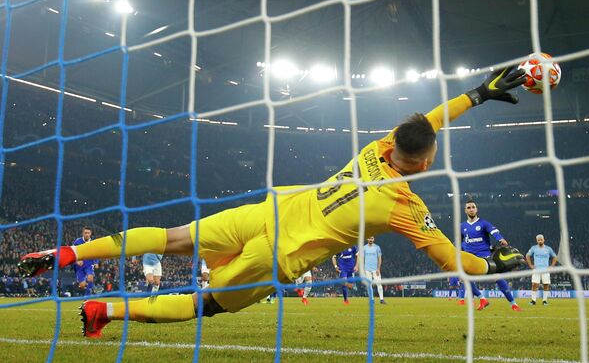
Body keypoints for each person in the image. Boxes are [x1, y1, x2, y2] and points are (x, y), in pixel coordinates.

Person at [17, 67, 526, 338]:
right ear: (420, 164)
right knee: (203, 306)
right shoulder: (403, 207)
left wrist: (477, 94)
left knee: (175, 239)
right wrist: (495, 266)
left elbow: (426, 122)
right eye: (428, 159)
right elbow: (448, 259)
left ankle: (67, 254)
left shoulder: (378, 147)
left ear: (394, 145)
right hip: (276, 256)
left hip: (268, 211)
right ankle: (105, 309)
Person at [459, 200, 522, 312]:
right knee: (465, 278)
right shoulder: (462, 226)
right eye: (468, 207)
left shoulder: (484, 223)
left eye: (473, 207)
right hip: (470, 258)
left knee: (497, 278)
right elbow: (458, 242)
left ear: (476, 209)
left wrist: (500, 239)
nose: (471, 209)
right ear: (465, 210)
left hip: (485, 257)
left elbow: (494, 232)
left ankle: (514, 304)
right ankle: (482, 299)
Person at [526, 234, 557, 306]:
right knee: (534, 284)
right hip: (536, 269)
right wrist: (530, 265)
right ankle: (533, 301)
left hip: (545, 270)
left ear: (544, 240)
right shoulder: (534, 248)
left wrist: (552, 266)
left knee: (546, 284)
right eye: (538, 240)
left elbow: (555, 257)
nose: (540, 241)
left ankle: (544, 301)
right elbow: (527, 255)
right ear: (537, 241)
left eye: (541, 239)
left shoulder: (548, 249)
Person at [72, 227, 97, 297]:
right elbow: (72, 252)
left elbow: (96, 253)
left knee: (90, 277)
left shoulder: (93, 243)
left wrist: (96, 262)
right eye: (85, 233)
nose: (87, 234)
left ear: (90, 234)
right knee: (82, 285)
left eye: (88, 233)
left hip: (89, 264)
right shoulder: (77, 241)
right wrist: (77, 261)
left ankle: (87, 296)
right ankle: (88, 287)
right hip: (79, 266)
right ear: (83, 233)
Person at [363, 236, 385, 304]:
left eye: (372, 238)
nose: (370, 240)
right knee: (369, 285)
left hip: (375, 269)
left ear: (374, 239)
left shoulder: (377, 247)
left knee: (379, 284)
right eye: (369, 238)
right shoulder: (364, 248)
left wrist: (378, 268)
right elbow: (362, 258)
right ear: (367, 239)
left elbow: (379, 258)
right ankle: (371, 299)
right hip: (367, 269)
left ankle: (381, 299)